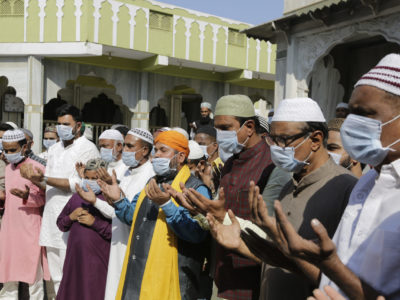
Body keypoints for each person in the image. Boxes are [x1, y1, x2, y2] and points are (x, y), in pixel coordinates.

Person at [207, 97, 359, 300]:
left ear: (315, 140)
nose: (276, 148)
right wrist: (241, 245)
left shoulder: (345, 187)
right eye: (273, 139)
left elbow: (345, 277)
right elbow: (275, 259)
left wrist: (291, 257)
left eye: (284, 140)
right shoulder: (289, 186)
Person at [103, 130, 212, 300]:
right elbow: (134, 217)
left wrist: (167, 205)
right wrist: (118, 200)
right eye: (156, 150)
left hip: (175, 277)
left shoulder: (196, 189)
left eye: (163, 150)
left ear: (181, 157)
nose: (156, 156)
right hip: (140, 272)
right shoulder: (153, 183)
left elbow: (197, 233)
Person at [20, 104, 99, 293]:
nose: (61, 128)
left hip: (73, 216)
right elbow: (48, 183)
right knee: (55, 276)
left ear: (78, 126)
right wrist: (34, 179)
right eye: (59, 124)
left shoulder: (88, 149)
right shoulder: (54, 149)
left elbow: (78, 184)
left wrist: (44, 179)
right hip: (51, 218)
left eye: (66, 124)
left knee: (70, 272)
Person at [211, 95, 276, 300]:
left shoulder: (272, 164)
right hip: (223, 269)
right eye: (217, 129)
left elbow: (269, 228)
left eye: (226, 128)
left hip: (252, 275)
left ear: (249, 126)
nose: (220, 135)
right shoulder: (229, 163)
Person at [91, 128, 155, 300]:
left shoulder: (151, 175)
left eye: (129, 146)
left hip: (135, 243)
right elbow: (116, 208)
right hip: (118, 238)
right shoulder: (125, 172)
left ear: (145, 150)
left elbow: (138, 212)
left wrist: (118, 198)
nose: (124, 150)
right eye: (124, 145)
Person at [0, 129, 49, 299]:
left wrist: (27, 197)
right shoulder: (8, 169)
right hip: (9, 227)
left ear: (25, 147)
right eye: (5, 150)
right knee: (8, 271)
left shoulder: (38, 167)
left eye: (12, 150)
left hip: (30, 226)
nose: (8, 154)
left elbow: (43, 199)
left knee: (33, 273)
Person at [56, 158, 111, 300]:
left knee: (93, 291)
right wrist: (71, 217)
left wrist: (94, 223)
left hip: (98, 259)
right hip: (75, 258)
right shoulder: (76, 197)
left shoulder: (109, 199)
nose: (90, 181)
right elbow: (61, 223)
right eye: (87, 178)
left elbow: (116, 232)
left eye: (95, 178)